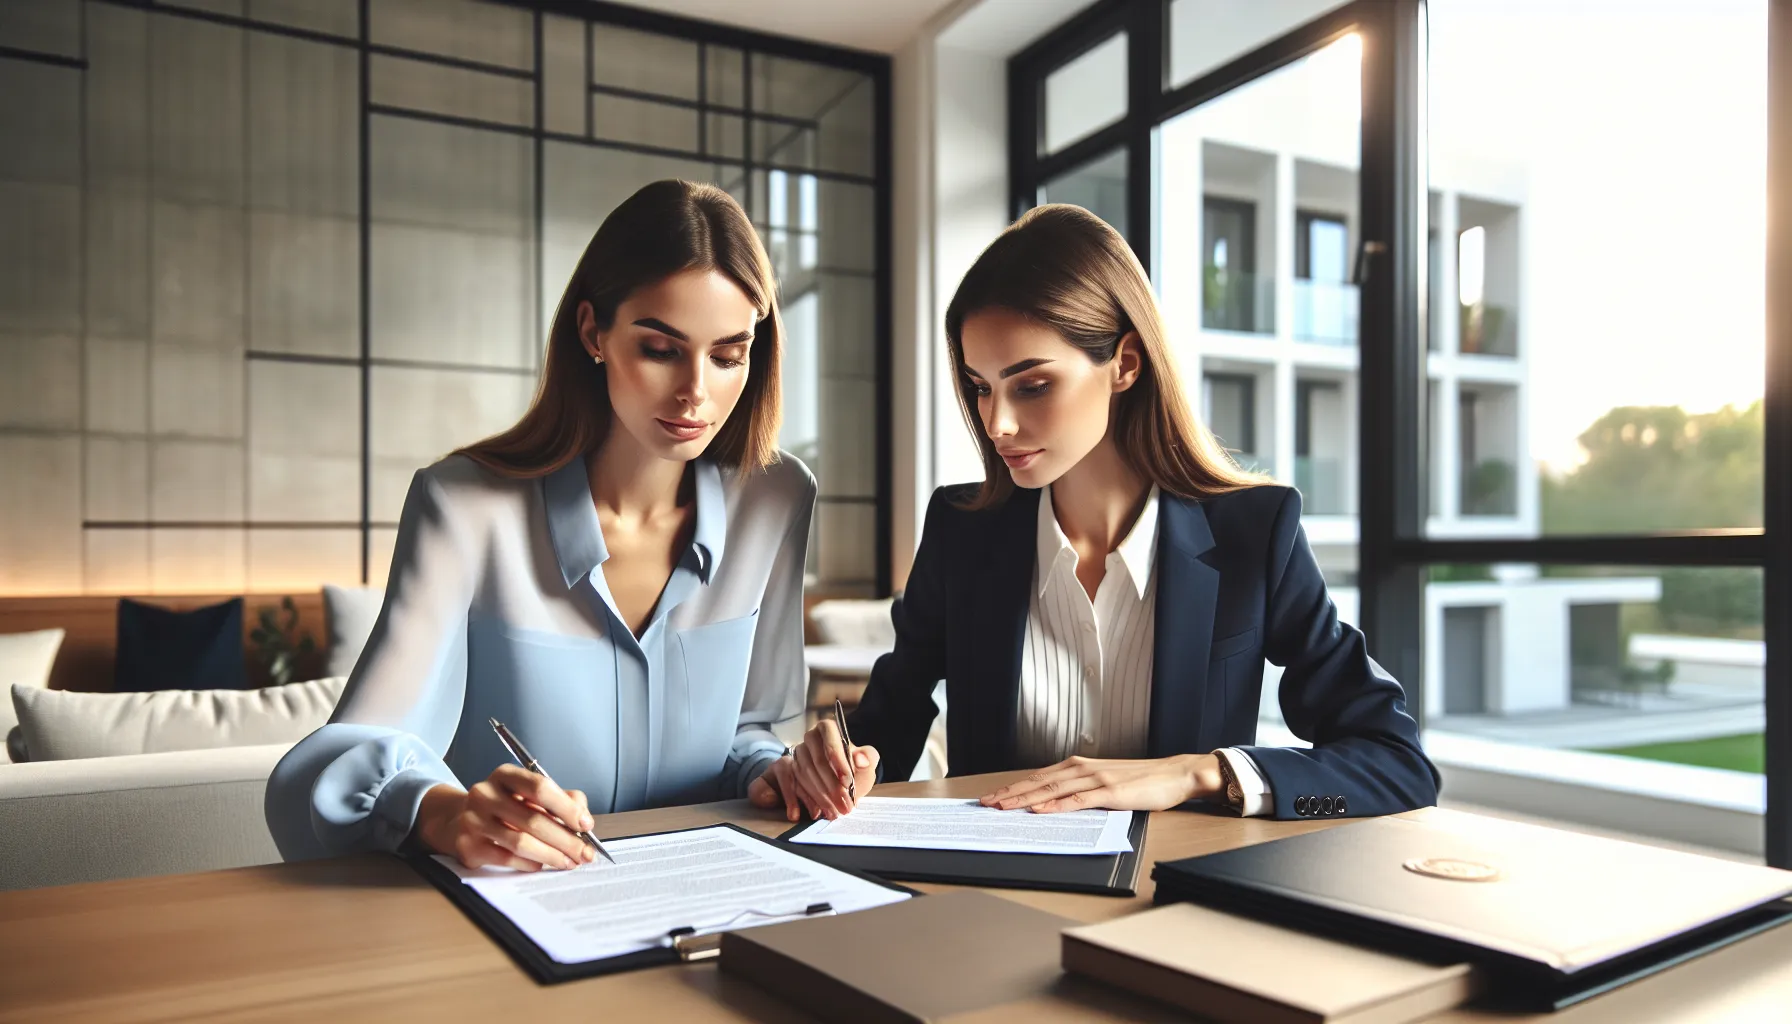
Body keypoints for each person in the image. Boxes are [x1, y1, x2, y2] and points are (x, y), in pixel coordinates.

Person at [750, 204, 1437, 823]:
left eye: (1033, 384)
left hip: (1172, 909)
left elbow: (1398, 764)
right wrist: (834, 764)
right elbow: (886, 736)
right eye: (981, 389)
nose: (999, 424)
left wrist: (1197, 774)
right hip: (983, 901)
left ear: (1126, 364)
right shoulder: (963, 532)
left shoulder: (1254, 534)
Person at [268, 180, 814, 871]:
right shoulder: (464, 508)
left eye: (728, 355)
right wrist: (443, 812)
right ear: (593, 332)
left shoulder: (776, 498)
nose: (696, 393)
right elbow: (327, 768)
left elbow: (747, 731)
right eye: (660, 349)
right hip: (510, 922)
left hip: (714, 902)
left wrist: (778, 771)